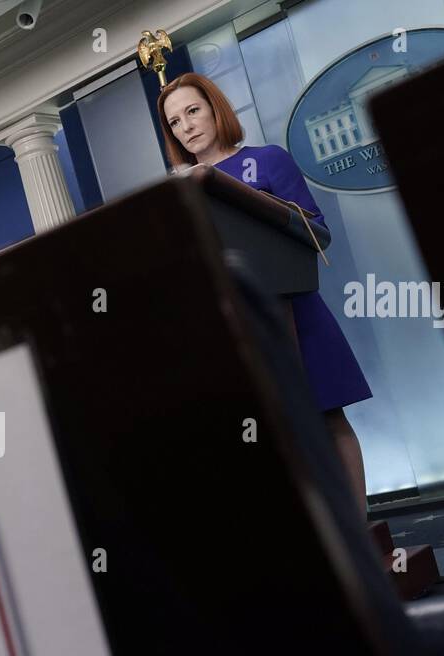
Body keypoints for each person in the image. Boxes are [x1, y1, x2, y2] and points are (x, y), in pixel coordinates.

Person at [158, 72, 372, 516]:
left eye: (193, 111)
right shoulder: (176, 189)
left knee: (328, 417)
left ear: (215, 108)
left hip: (296, 311)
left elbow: (318, 233)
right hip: (238, 326)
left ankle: (358, 527)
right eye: (175, 122)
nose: (187, 127)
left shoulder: (268, 160)